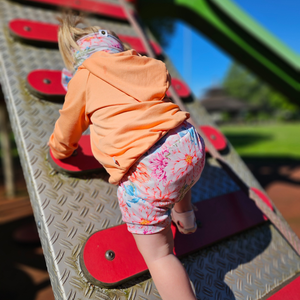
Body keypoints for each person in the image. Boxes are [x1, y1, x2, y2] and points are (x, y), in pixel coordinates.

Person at [49, 14, 205, 300]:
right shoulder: (142, 64)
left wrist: (60, 150)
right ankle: (185, 216)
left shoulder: (83, 78)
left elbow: (67, 128)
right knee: (177, 173)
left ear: (75, 60)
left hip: (146, 172)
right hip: (188, 144)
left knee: (160, 257)